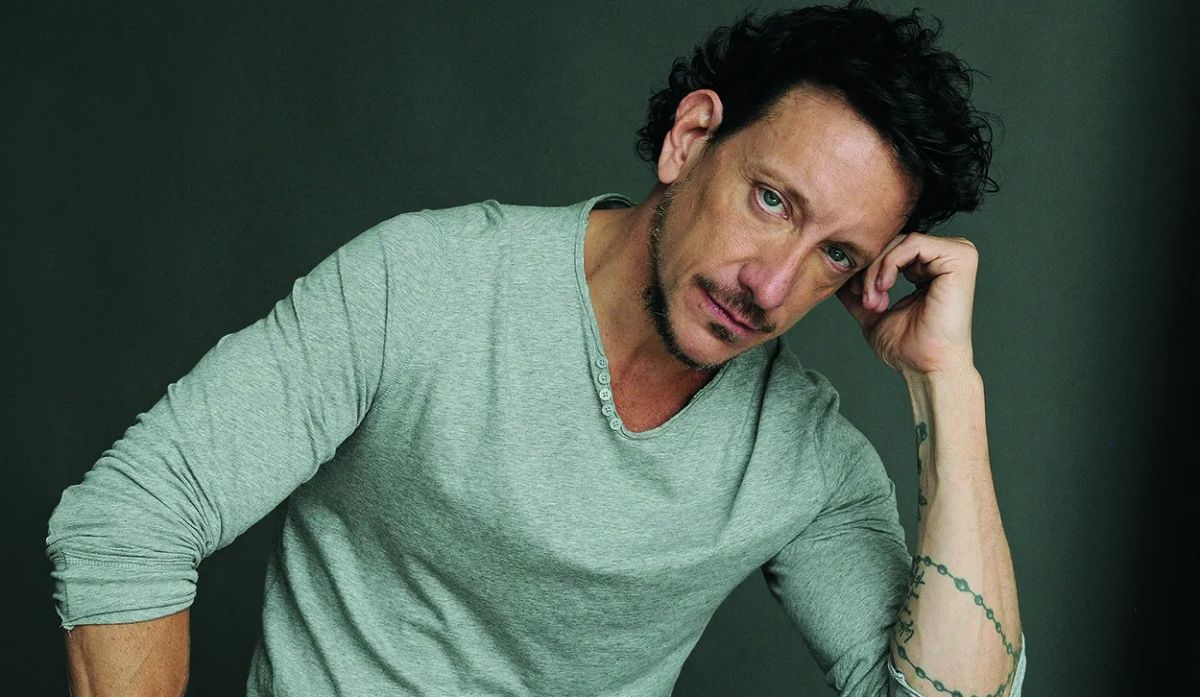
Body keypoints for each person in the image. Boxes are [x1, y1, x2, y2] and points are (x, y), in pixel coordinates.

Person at [46, 1, 1027, 695]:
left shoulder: (799, 454)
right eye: (771, 201)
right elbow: (130, 518)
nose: (770, 285)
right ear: (691, 139)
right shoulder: (423, 283)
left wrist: (948, 382)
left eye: (835, 255)